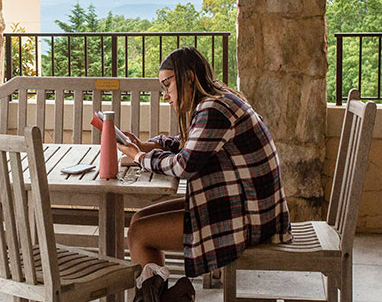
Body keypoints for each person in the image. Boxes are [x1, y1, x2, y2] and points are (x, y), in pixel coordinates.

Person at [118, 46, 292, 278]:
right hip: (252, 210)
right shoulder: (219, 99)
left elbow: (184, 165)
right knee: (140, 219)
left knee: (140, 233)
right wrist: (151, 146)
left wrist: (140, 157)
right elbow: (194, 144)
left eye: (167, 85)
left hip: (250, 220)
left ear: (189, 77)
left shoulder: (214, 109)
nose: (165, 95)